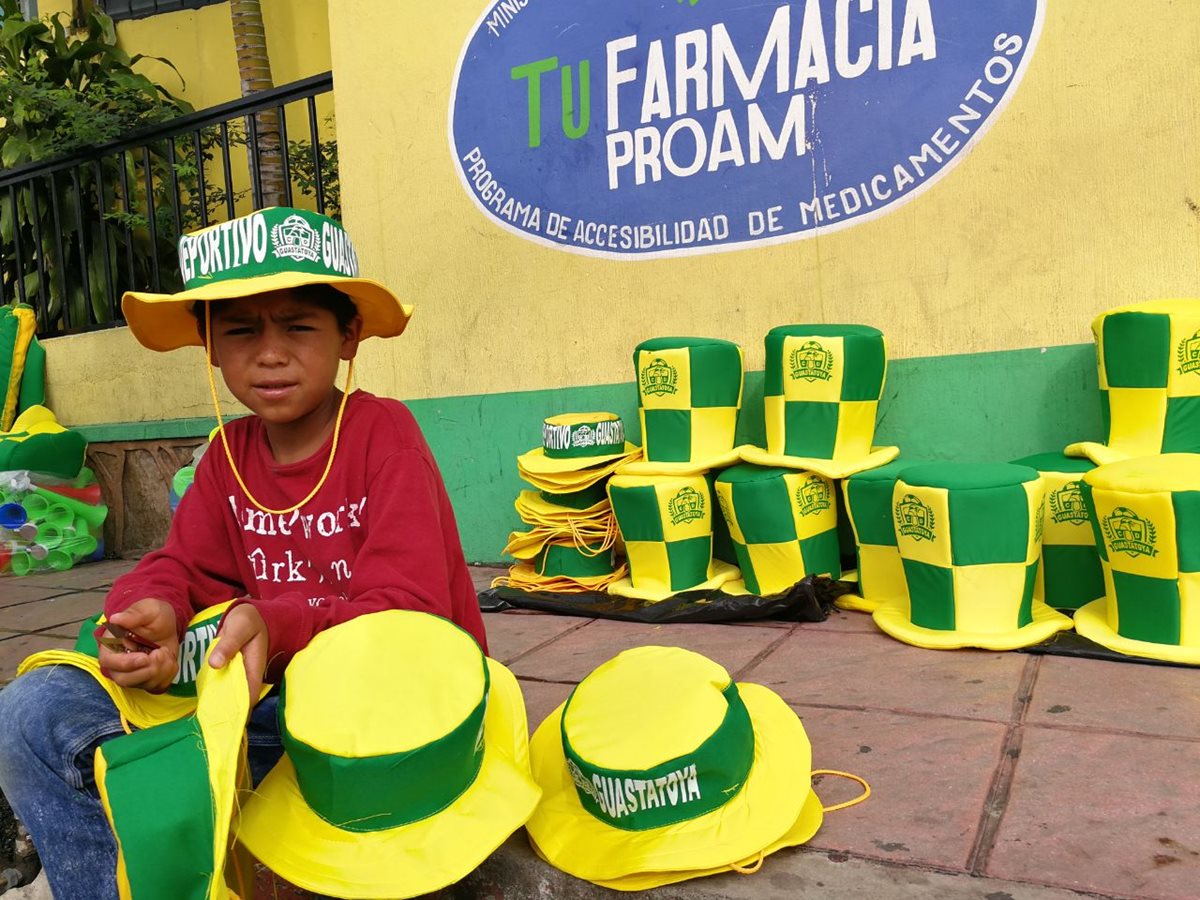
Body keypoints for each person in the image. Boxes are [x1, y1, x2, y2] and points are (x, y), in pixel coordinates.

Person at [0, 207, 487, 900]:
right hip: (262, 716)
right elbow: (182, 565)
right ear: (209, 345)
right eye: (240, 330)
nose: (270, 353)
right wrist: (152, 611)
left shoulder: (384, 436)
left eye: (298, 327)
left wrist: (276, 623)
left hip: (380, 726)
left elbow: (409, 618)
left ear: (348, 336)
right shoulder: (227, 458)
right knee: (30, 711)